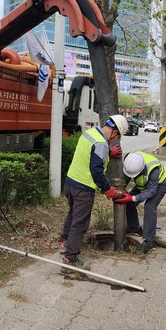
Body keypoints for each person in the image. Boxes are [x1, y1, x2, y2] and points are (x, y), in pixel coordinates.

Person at [59, 114, 129, 271]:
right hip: (83, 188)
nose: (113, 141)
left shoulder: (91, 133)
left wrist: (109, 153)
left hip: (70, 182)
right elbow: (96, 170)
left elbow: (88, 154)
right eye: (116, 137)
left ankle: (64, 240)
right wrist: (108, 189)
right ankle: (70, 258)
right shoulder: (101, 144)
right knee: (80, 222)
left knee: (72, 214)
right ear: (115, 132)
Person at [114, 151, 166, 255]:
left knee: (149, 207)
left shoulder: (153, 169)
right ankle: (134, 228)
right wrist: (119, 190)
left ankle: (149, 242)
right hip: (143, 183)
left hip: (160, 184)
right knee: (129, 203)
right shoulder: (130, 159)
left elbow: (151, 191)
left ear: (141, 170)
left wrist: (132, 198)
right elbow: (125, 178)